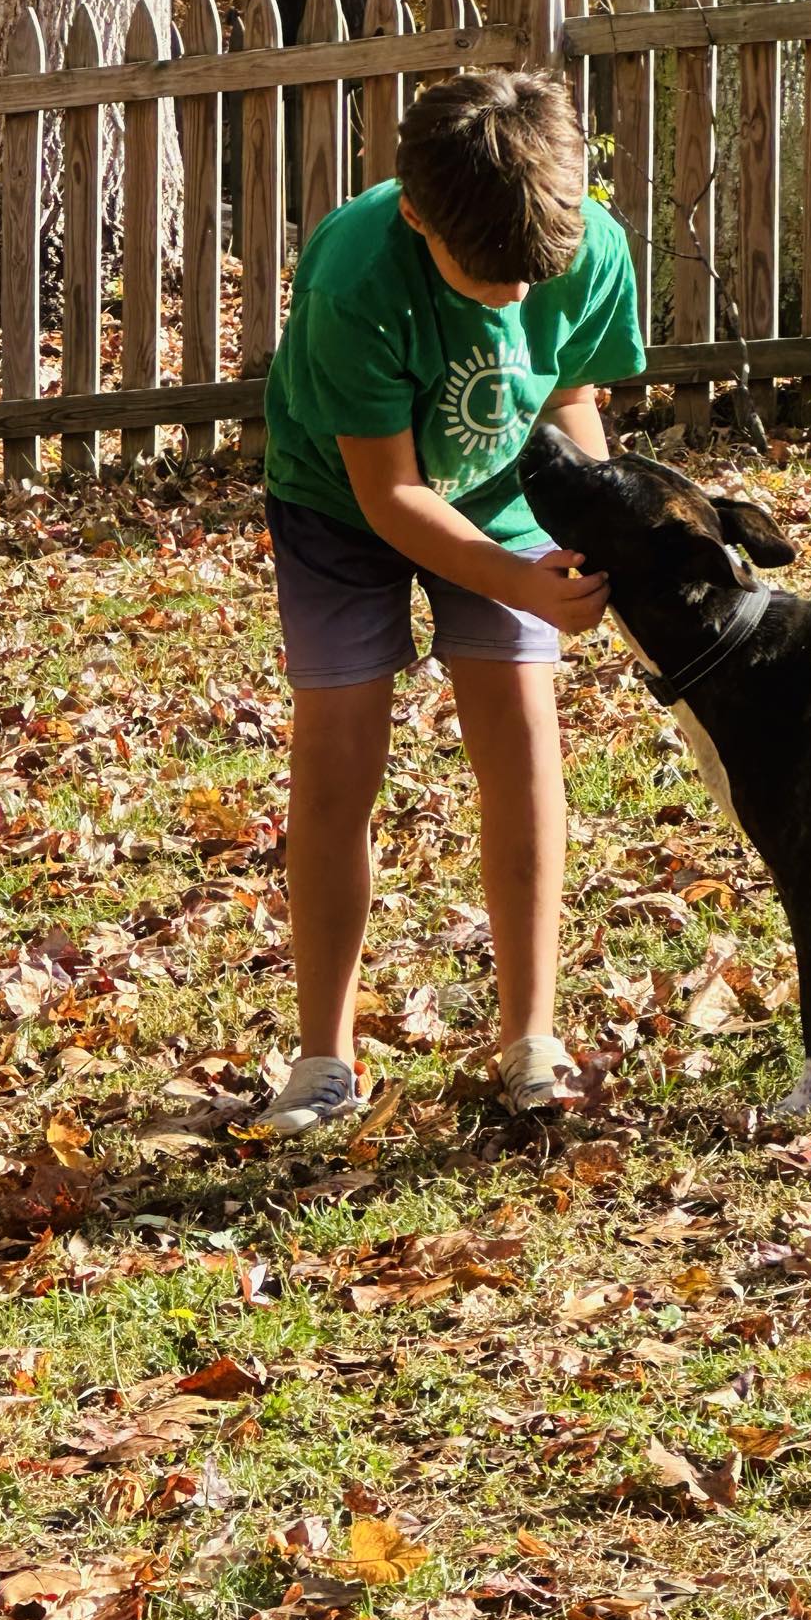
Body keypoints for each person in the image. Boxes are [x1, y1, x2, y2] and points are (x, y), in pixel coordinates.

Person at [250, 68, 646, 1137]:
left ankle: (531, 1037)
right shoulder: (354, 276)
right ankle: (324, 1058)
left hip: (508, 492)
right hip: (340, 503)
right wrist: (514, 583)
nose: (515, 299)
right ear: (420, 217)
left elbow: (570, 393)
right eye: (490, 279)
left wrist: (587, 528)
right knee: (338, 758)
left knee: (521, 743)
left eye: (533, 277)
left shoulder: (582, 240)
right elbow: (390, 493)